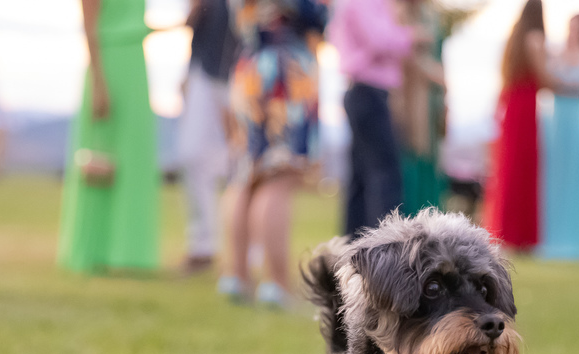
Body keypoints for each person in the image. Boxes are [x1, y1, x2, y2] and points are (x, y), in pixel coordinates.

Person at [221, 0, 327, 306]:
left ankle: (236, 276)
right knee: (279, 178)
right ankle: (275, 284)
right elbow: (315, 15)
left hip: (249, 68)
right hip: (287, 71)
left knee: (245, 175)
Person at [58, 0, 160, 274]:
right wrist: (98, 82)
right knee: (101, 159)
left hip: (135, 62)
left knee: (134, 160)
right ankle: (95, 250)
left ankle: (129, 252)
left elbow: (132, 21)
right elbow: (89, 25)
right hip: (109, 63)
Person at [328, 0, 422, 239]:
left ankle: (353, 246)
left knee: (361, 178)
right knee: (385, 175)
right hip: (368, 91)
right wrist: (411, 37)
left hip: (364, 92)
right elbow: (379, 40)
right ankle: (387, 244)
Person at [483, 0, 560, 251]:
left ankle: (505, 231)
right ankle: (519, 235)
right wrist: (569, 84)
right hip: (525, 107)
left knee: (509, 168)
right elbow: (543, 77)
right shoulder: (535, 38)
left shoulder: (514, 37)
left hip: (512, 106)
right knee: (523, 169)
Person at [177, 0, 240, 275]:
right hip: (203, 71)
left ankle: (247, 251)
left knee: (243, 161)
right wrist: (187, 72)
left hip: (241, 74)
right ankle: (202, 245)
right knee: (192, 155)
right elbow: (194, 20)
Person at [538, 13, 579, 261]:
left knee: (574, 176)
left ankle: (574, 239)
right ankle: (552, 238)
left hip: (574, 120)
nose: (573, 32)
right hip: (557, 121)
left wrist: (568, 85)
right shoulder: (556, 53)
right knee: (554, 178)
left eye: (577, 27)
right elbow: (546, 82)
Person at [391, 0, 448, 216]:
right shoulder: (397, 12)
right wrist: (434, 73)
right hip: (410, 98)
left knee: (431, 161)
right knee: (410, 159)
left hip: (432, 101)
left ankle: (432, 219)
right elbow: (402, 54)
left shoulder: (431, 15)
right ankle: (411, 220)